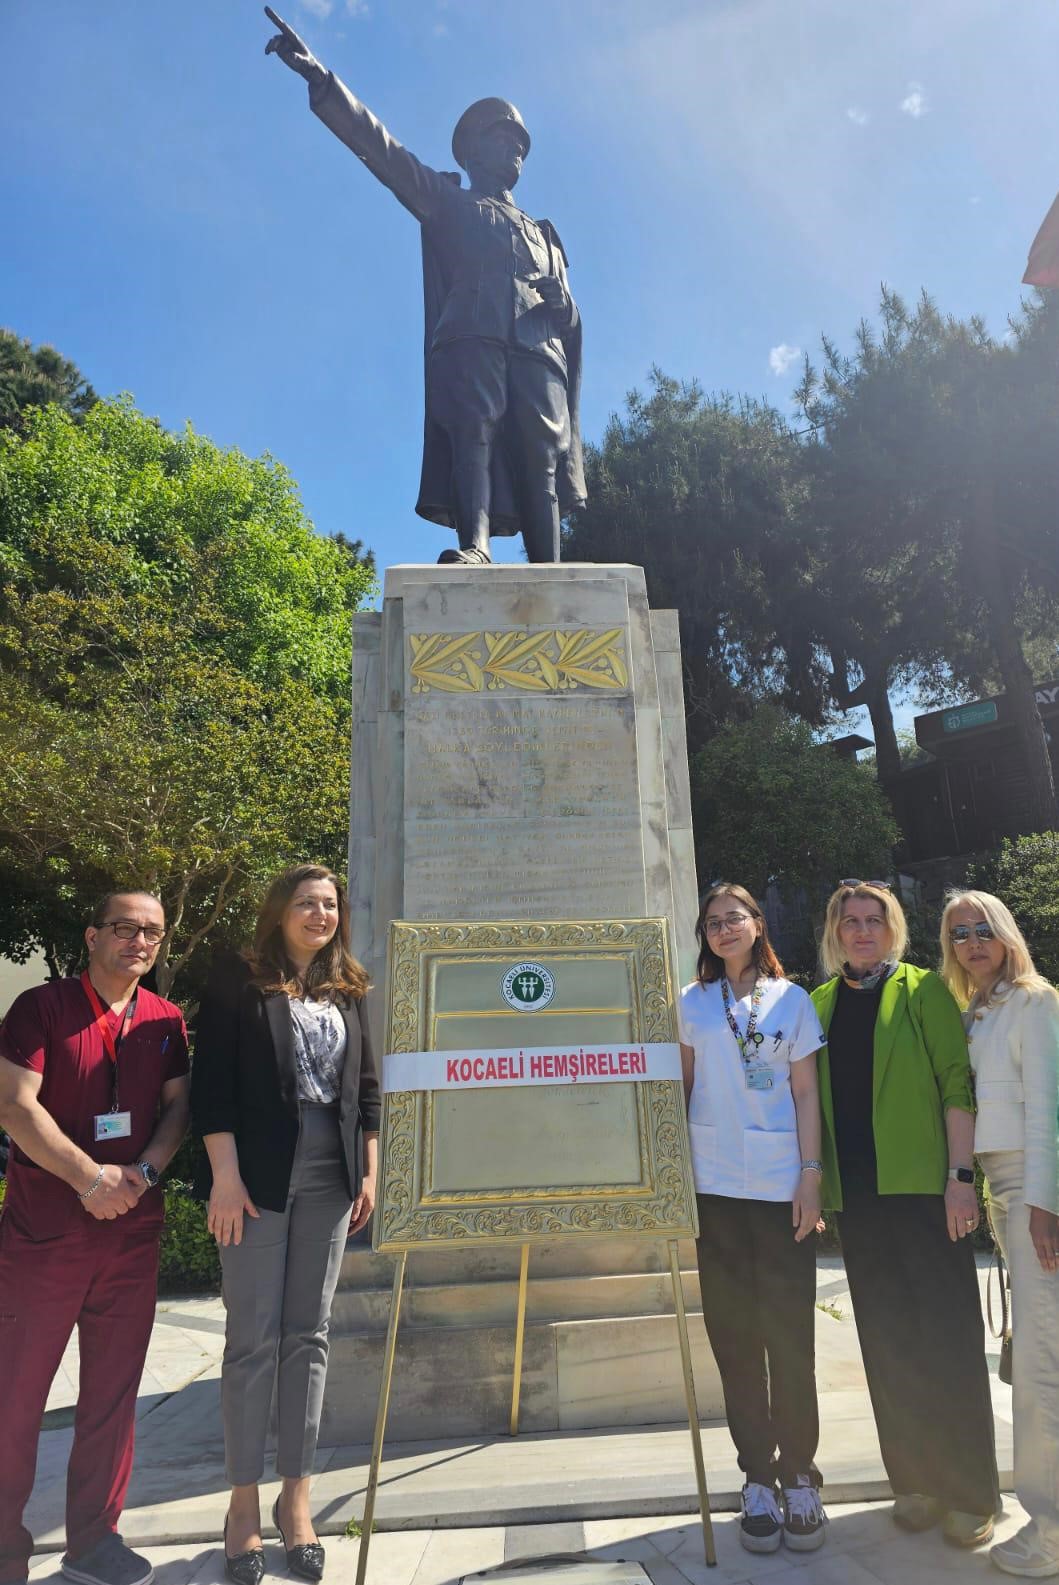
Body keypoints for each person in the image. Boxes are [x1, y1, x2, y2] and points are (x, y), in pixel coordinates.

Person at [262, 7, 585, 567]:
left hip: (538, 348)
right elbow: (383, 151)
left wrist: (567, 308)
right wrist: (321, 79)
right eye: (504, 139)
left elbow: (573, 319)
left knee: (541, 456)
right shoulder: (448, 202)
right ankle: (476, 547)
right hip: (470, 335)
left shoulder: (547, 233)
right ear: (472, 149)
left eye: (522, 146)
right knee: (473, 436)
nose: (517, 152)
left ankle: (550, 569)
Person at [191, 865, 381, 1585]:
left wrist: (366, 1170)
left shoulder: (348, 988)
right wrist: (225, 1176)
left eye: (331, 903)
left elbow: (366, 1092)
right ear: (279, 911)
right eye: (307, 902)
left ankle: (294, 1503)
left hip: (331, 1179)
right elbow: (211, 1085)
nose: (320, 913)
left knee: (310, 1334)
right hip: (256, 1178)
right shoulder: (240, 980)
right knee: (251, 1340)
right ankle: (242, 1505)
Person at [0, 892, 190, 1585]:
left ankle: (94, 1538)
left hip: (131, 1233)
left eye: (152, 931)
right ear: (92, 935)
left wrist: (140, 1172)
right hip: (45, 1236)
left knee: (112, 1394)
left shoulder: (166, 1019)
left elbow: (178, 1108)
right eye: (125, 927)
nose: (139, 940)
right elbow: (16, 1106)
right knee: (14, 1396)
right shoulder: (40, 1009)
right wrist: (89, 1179)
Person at [811, 881, 1000, 1547]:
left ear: (892, 929)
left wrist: (958, 1178)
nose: (862, 931)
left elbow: (956, 1084)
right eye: (850, 921)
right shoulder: (820, 1003)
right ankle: (914, 1482)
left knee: (946, 1342)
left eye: (874, 920)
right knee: (887, 1345)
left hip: (925, 1193)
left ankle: (972, 1491)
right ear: (835, 932)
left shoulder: (922, 989)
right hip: (857, 1202)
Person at [678, 884, 828, 1555]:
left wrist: (810, 1175)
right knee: (734, 1340)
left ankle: (799, 1474)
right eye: (711, 922)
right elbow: (679, 1089)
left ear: (757, 924)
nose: (722, 929)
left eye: (732, 917)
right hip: (714, 1188)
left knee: (789, 1337)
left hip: (778, 1188)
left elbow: (803, 1091)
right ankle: (756, 1479)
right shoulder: (690, 1002)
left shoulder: (790, 999)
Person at [940, 889, 1059, 1578]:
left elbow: (1047, 1107)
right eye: (959, 933)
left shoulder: (1034, 1000)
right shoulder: (978, 1010)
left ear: (1006, 933)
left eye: (983, 928)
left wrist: (1044, 1201)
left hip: (1033, 1190)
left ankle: (1049, 1534)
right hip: (1005, 1190)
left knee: (1041, 1367)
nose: (972, 941)